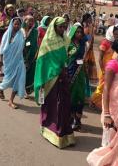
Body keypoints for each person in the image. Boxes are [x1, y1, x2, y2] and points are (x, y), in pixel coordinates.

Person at [86, 36, 118, 166]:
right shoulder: (112, 65)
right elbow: (106, 91)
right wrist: (107, 114)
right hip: (114, 110)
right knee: (111, 142)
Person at [34, 17, 75, 149]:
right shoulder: (48, 42)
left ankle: (64, 132)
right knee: (54, 104)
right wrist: (58, 69)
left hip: (63, 77)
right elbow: (43, 61)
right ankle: (51, 129)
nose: (62, 29)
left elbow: (70, 51)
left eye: (64, 27)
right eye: (60, 27)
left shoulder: (65, 39)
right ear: (54, 27)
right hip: (52, 78)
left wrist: (70, 54)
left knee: (65, 104)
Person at [89, 25, 118, 110]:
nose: (116, 36)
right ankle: (93, 100)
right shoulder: (105, 43)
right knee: (101, 87)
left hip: (113, 69)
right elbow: (100, 58)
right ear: (110, 33)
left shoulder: (116, 43)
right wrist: (103, 70)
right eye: (115, 34)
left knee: (109, 87)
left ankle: (101, 103)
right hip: (105, 69)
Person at [0, 18, 26, 109]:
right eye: (15, 24)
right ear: (12, 24)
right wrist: (0, 60)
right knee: (8, 79)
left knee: (19, 79)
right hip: (9, 60)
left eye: (18, 24)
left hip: (19, 60)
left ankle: (11, 100)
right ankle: (1, 88)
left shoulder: (21, 34)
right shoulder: (7, 34)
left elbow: (23, 47)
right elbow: (2, 48)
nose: (17, 26)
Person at [67, 23, 86, 131]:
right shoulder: (68, 44)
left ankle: (78, 120)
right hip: (70, 71)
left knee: (80, 96)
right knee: (71, 96)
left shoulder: (83, 45)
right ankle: (71, 118)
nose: (79, 34)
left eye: (81, 32)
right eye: (77, 32)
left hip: (80, 72)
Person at [21, 15, 38, 95]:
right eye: (29, 20)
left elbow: (34, 43)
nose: (31, 22)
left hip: (31, 54)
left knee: (30, 71)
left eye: (32, 21)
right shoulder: (21, 30)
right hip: (21, 53)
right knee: (22, 71)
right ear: (25, 21)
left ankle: (27, 89)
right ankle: (20, 87)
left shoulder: (35, 31)